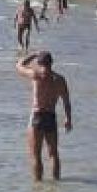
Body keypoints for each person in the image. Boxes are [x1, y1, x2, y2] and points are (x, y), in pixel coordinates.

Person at [17, 51, 72, 181]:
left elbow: (19, 65)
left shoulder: (35, 74)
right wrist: (68, 119)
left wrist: (33, 54)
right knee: (53, 154)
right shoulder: (60, 79)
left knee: (36, 155)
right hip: (51, 116)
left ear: (38, 63)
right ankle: (56, 182)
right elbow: (66, 101)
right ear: (51, 63)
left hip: (37, 115)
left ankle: (38, 185)